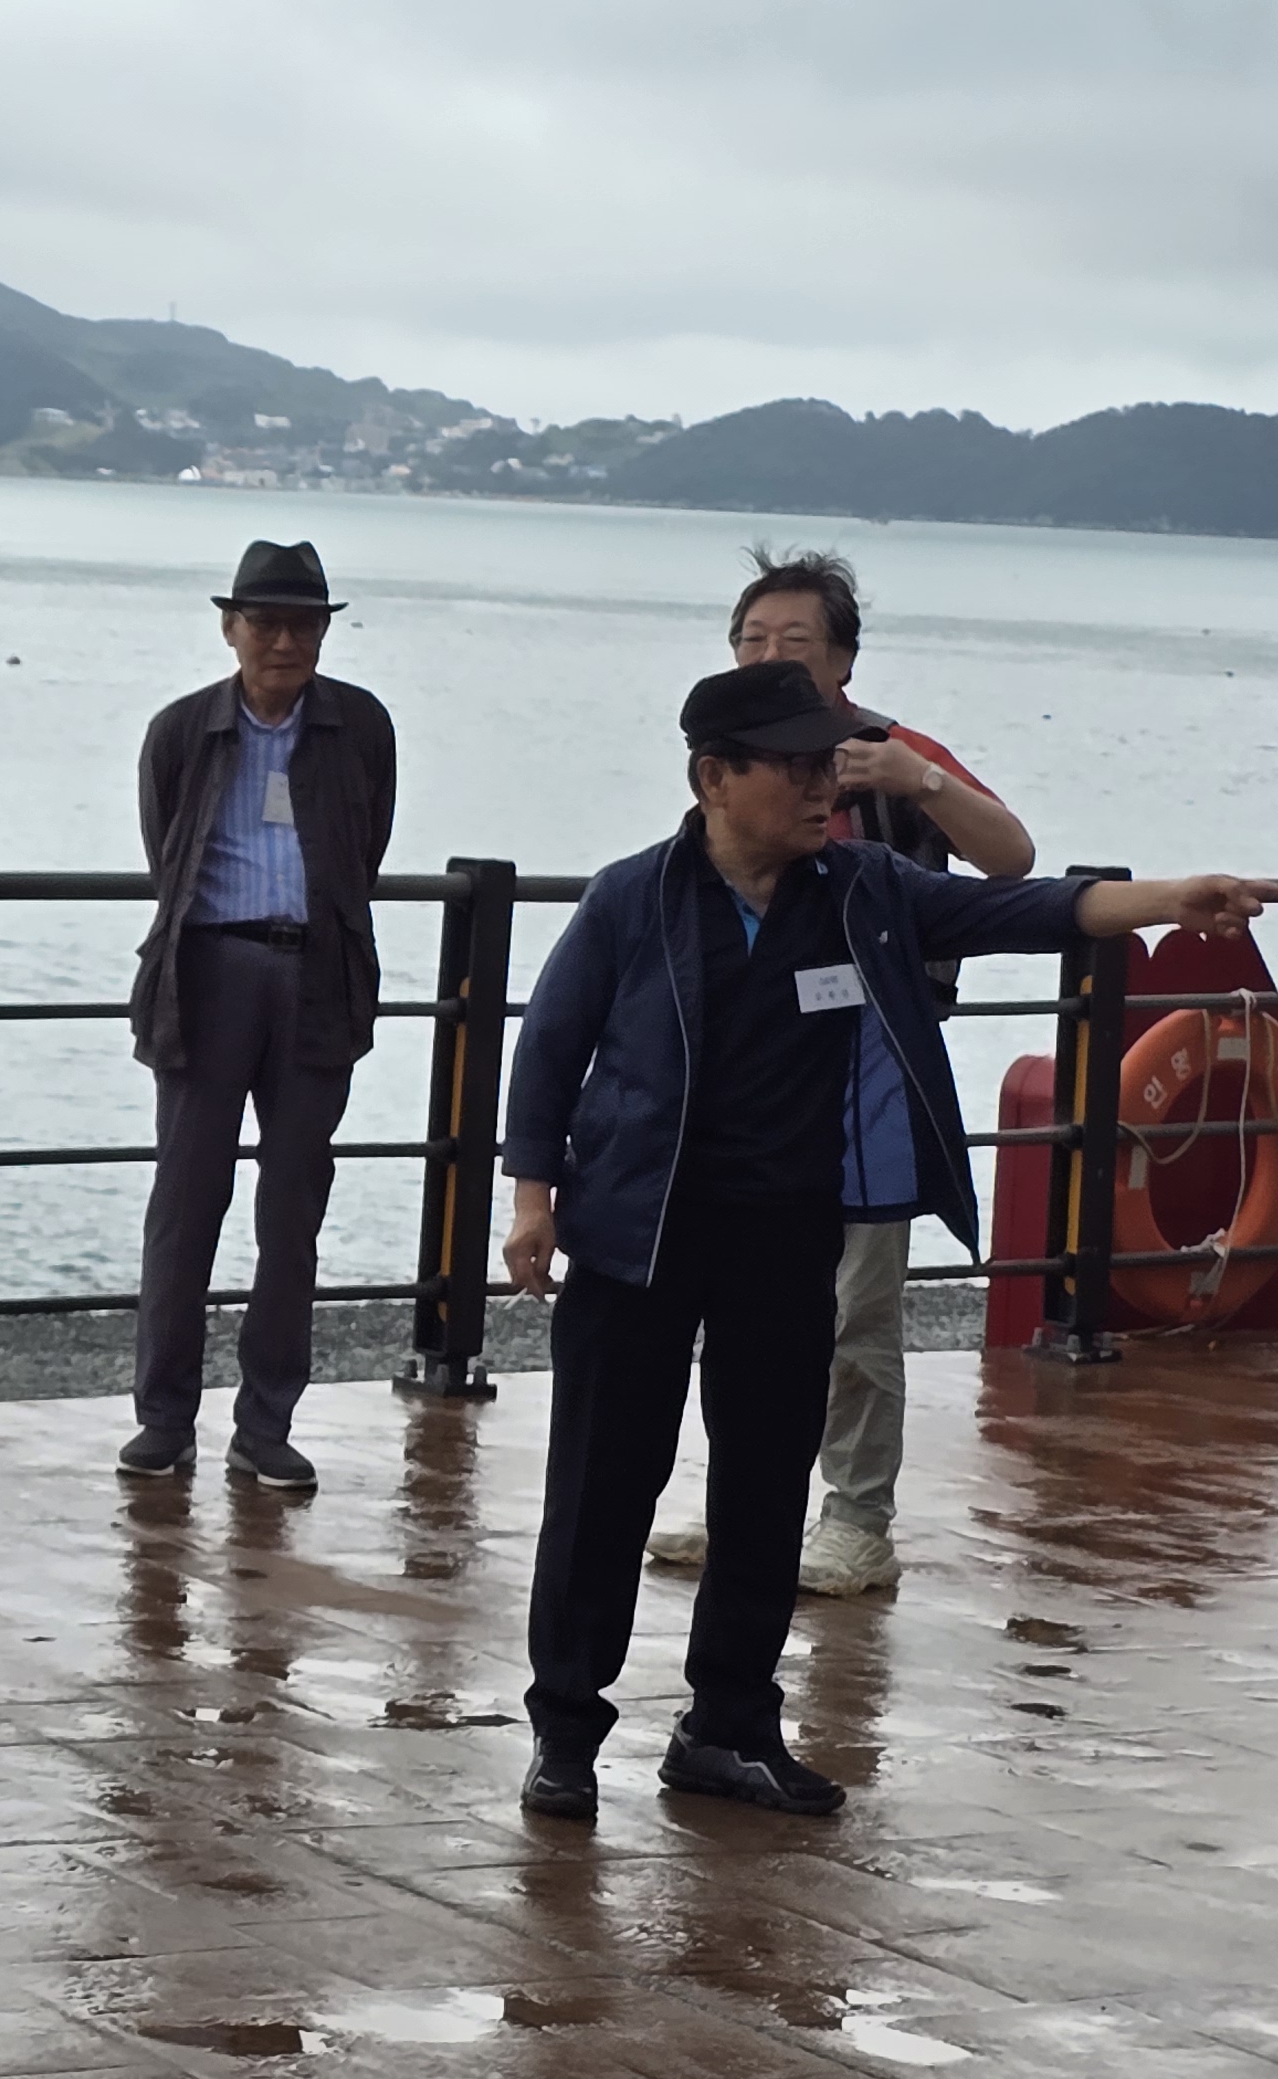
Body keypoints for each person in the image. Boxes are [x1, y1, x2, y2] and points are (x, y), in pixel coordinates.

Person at [502, 659, 1264, 1820]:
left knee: (765, 1485)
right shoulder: (630, 897)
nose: (825, 787)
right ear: (714, 777)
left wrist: (1170, 897)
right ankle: (564, 1731)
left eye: (830, 764)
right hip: (637, 1229)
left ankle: (726, 1728)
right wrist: (531, 1199)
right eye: (796, 767)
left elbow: (1028, 908)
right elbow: (551, 1048)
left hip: (784, 1231)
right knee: (602, 1485)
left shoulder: (861, 888)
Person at [646, 549, 1035, 1599]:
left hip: (870, 1073)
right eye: (752, 640)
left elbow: (1011, 859)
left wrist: (921, 780)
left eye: (795, 640)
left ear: (845, 659)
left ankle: (858, 1518)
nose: (769, 654)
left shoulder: (890, 753)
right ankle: (748, 1502)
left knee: (858, 1309)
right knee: (744, 1305)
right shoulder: (729, 759)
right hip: (755, 1073)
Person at [119, 541, 399, 1492]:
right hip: (206, 972)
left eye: (304, 625)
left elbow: (365, 847)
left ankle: (267, 1423)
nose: (285, 642)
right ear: (230, 628)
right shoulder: (181, 729)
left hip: (318, 974)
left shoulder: (360, 725)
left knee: (294, 1210)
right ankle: (164, 1420)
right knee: (184, 1205)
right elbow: (166, 850)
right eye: (267, 624)